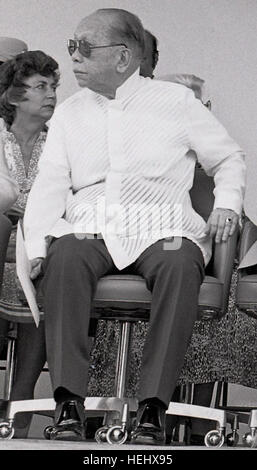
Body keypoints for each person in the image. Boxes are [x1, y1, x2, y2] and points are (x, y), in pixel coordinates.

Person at [24, 8, 246, 444]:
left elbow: (228, 159)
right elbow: (50, 185)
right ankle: (68, 403)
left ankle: (153, 408)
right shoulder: (70, 113)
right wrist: (37, 245)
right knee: (64, 254)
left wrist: (227, 206)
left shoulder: (176, 102)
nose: (74, 57)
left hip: (162, 224)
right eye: (71, 46)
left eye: (84, 48)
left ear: (123, 57)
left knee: (180, 263)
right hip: (91, 226)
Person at [0, 50, 59, 437]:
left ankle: (16, 416)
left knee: (52, 268)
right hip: (1, 236)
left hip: (40, 239)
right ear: (14, 96)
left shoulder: (60, 143)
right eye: (41, 86)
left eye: (54, 86)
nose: (52, 94)